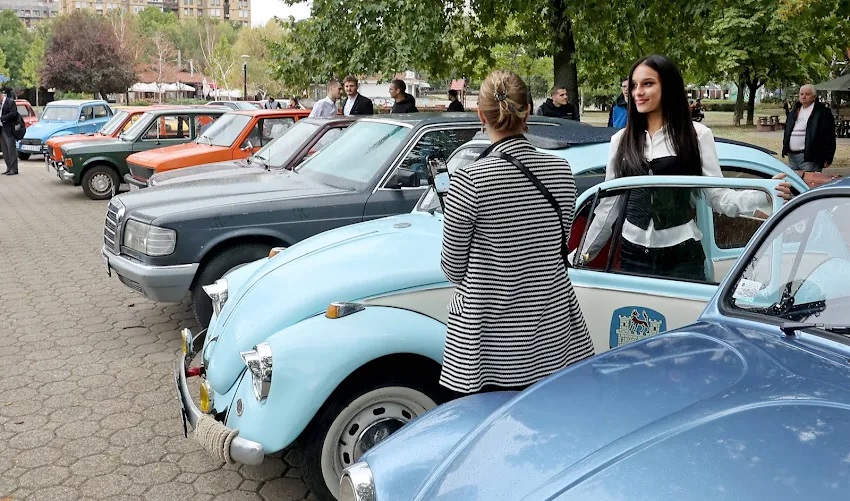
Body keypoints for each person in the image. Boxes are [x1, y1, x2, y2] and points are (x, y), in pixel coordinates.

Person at [439, 69, 595, 395]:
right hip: (552, 334)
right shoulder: (560, 171)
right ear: (529, 111)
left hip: (489, 345)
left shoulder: (469, 180)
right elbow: (558, 244)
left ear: (481, 115)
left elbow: (452, 269)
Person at [577, 54, 791, 281]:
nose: (638, 92)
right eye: (634, 85)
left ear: (668, 86)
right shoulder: (620, 140)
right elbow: (609, 206)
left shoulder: (697, 135)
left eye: (648, 83)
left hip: (682, 256)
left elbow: (719, 198)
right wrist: (581, 255)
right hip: (632, 254)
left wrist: (765, 193)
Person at [782, 84, 836, 173]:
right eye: (801, 94)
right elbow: (787, 131)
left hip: (810, 157)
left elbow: (829, 136)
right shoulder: (794, 111)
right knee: (792, 181)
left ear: (814, 97)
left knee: (809, 181)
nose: (803, 96)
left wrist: (828, 157)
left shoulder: (822, 112)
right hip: (792, 156)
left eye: (807, 94)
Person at [0, 89, 19, 176]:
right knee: (5, 150)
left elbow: (14, 114)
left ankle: (14, 169)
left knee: (11, 150)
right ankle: (8, 168)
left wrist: (3, 118)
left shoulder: (10, 102)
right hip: (1, 129)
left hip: (9, 129)